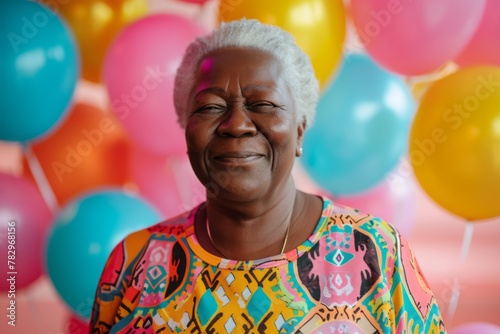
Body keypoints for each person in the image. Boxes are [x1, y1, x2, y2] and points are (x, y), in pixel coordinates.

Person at [89, 19, 446, 333]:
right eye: (211, 107)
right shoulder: (135, 262)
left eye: (263, 104)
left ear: (300, 131)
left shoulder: (375, 254)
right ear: (187, 130)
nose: (237, 125)